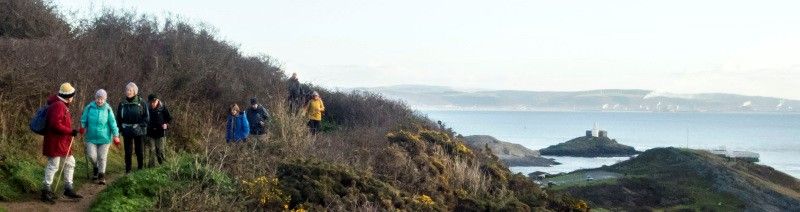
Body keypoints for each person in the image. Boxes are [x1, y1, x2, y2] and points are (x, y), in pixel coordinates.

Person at [41, 83, 83, 203]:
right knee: (53, 165)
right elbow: (55, 125)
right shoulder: (58, 105)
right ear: (68, 96)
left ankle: (68, 188)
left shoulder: (62, 104)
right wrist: (70, 131)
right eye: (72, 96)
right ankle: (46, 190)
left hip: (62, 142)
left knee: (70, 162)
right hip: (55, 142)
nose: (73, 98)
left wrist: (70, 132)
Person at [79, 89, 120, 185]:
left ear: (105, 99)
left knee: (102, 157)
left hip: (104, 138)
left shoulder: (108, 109)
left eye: (102, 99)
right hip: (91, 137)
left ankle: (101, 175)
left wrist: (116, 136)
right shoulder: (89, 108)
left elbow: (113, 123)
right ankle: (96, 168)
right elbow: (83, 119)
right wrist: (82, 127)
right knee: (92, 156)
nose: (100, 101)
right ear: (95, 98)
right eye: (98, 98)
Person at [117, 82, 149, 174]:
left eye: (130, 90)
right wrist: (120, 128)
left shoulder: (141, 102)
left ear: (135, 91)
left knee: (139, 150)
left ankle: (140, 168)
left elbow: (146, 117)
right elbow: (118, 117)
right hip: (126, 130)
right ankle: (128, 170)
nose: (128, 92)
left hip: (139, 130)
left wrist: (140, 125)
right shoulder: (122, 103)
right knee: (128, 151)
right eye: (127, 90)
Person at [145, 94, 172, 167]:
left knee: (160, 150)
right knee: (152, 150)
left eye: (154, 101)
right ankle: (151, 167)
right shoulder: (147, 109)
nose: (152, 103)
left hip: (160, 133)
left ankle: (163, 166)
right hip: (150, 132)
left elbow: (169, 119)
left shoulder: (163, 108)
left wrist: (166, 125)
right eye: (151, 102)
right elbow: (144, 119)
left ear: (158, 100)